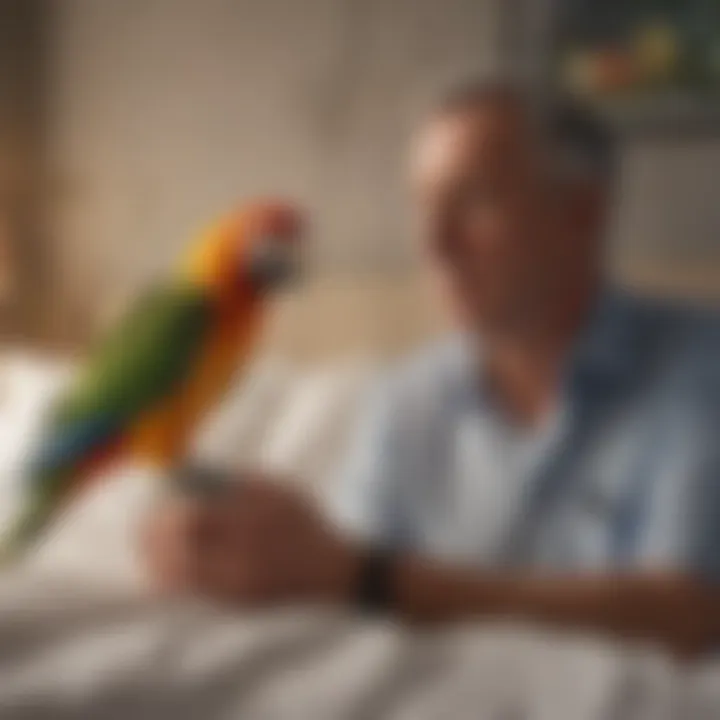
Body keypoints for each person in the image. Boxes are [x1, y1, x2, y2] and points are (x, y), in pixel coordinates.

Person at [142, 80, 720, 656]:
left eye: (471, 202)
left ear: (582, 212)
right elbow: (341, 581)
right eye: (423, 205)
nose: (432, 243)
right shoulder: (405, 399)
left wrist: (371, 581)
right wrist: (243, 549)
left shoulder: (700, 370)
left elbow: (690, 613)